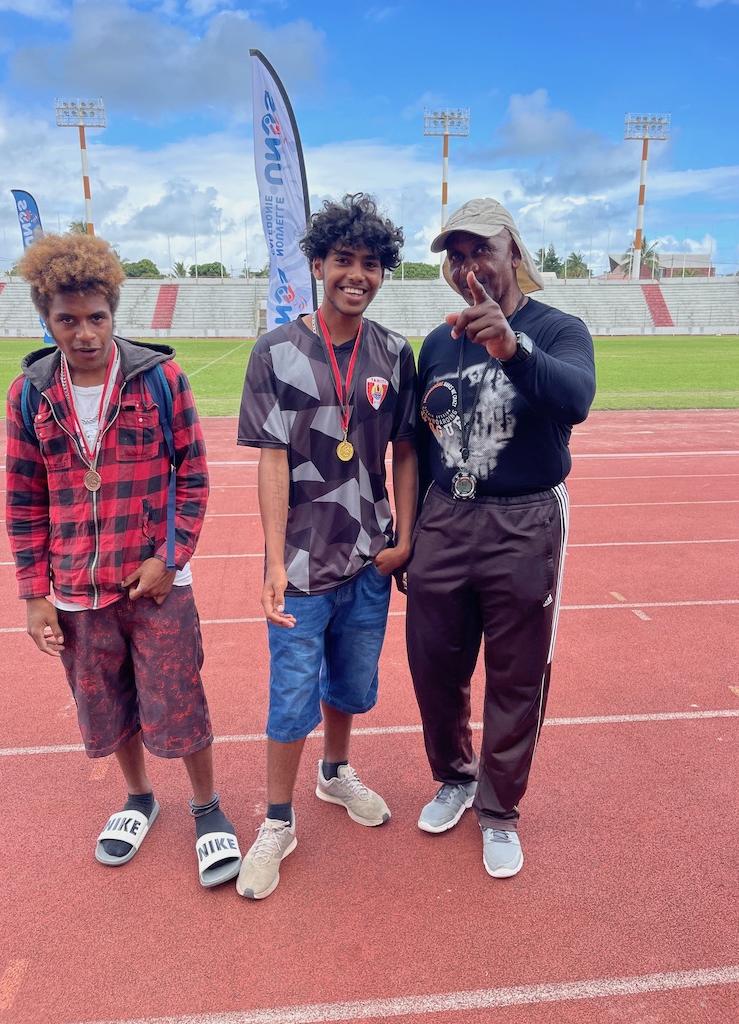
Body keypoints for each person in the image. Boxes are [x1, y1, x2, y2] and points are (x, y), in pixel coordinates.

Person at [5, 232, 241, 888]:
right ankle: (139, 799)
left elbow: (194, 477)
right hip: (75, 589)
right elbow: (23, 501)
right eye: (67, 320)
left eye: (96, 317)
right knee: (106, 704)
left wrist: (170, 556)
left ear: (114, 311)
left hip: (156, 585)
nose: (84, 334)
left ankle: (207, 806)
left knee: (179, 697)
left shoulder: (160, 380)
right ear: (46, 318)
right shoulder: (29, 395)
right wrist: (34, 594)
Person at [406, 198, 596, 878]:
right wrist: (413, 532)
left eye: (480, 250)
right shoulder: (437, 343)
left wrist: (513, 349)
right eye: (456, 256)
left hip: (525, 518)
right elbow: (418, 443)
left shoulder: (559, 328)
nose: (469, 267)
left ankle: (499, 809)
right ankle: (455, 777)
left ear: (513, 250)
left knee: (516, 673)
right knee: (434, 665)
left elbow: (576, 399)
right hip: (445, 516)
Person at [236, 193, 417, 900]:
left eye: (371, 264)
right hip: (303, 563)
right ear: (318, 265)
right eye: (344, 260)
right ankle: (277, 821)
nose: (357, 275)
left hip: (369, 557)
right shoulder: (276, 352)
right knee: (290, 696)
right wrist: (272, 560)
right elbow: (271, 460)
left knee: (350, 681)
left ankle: (335, 773)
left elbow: (406, 450)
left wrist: (403, 535)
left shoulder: (394, 353)